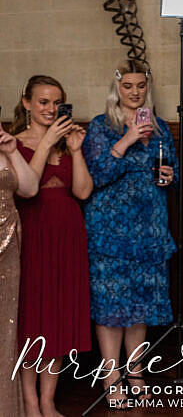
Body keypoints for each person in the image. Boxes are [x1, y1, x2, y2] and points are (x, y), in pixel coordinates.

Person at [82, 61, 178, 405]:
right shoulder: (100, 126)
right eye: (128, 87)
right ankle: (111, 377)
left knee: (140, 306)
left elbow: (173, 169)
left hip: (149, 227)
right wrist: (127, 139)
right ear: (117, 88)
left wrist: (168, 176)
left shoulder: (161, 128)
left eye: (140, 86)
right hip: (110, 229)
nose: (135, 92)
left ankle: (135, 371)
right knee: (111, 306)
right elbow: (98, 174)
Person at [10, 76, 92, 417]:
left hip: (68, 235)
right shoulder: (13, 144)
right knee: (32, 316)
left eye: (57, 102)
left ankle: (48, 399)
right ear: (27, 103)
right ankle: (29, 401)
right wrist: (47, 142)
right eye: (43, 102)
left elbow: (84, 192)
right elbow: (25, 187)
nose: (51, 109)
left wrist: (74, 150)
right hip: (33, 234)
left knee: (57, 315)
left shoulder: (66, 143)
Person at [0, 125, 40, 417]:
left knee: (6, 326)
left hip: (9, 242)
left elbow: (29, 188)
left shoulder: (5, 146)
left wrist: (12, 152)